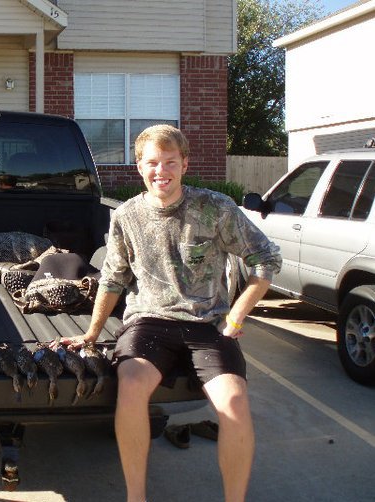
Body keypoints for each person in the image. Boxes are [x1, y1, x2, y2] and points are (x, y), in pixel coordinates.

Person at [54, 124, 281, 502]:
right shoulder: (126, 216)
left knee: (235, 404)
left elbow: (265, 259)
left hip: (207, 325)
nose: (162, 171)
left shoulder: (215, 209)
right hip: (149, 323)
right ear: (139, 168)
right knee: (130, 387)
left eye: (170, 162)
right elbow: (112, 279)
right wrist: (92, 333)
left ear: (185, 165)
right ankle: (136, 496)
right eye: (152, 162)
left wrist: (237, 316)